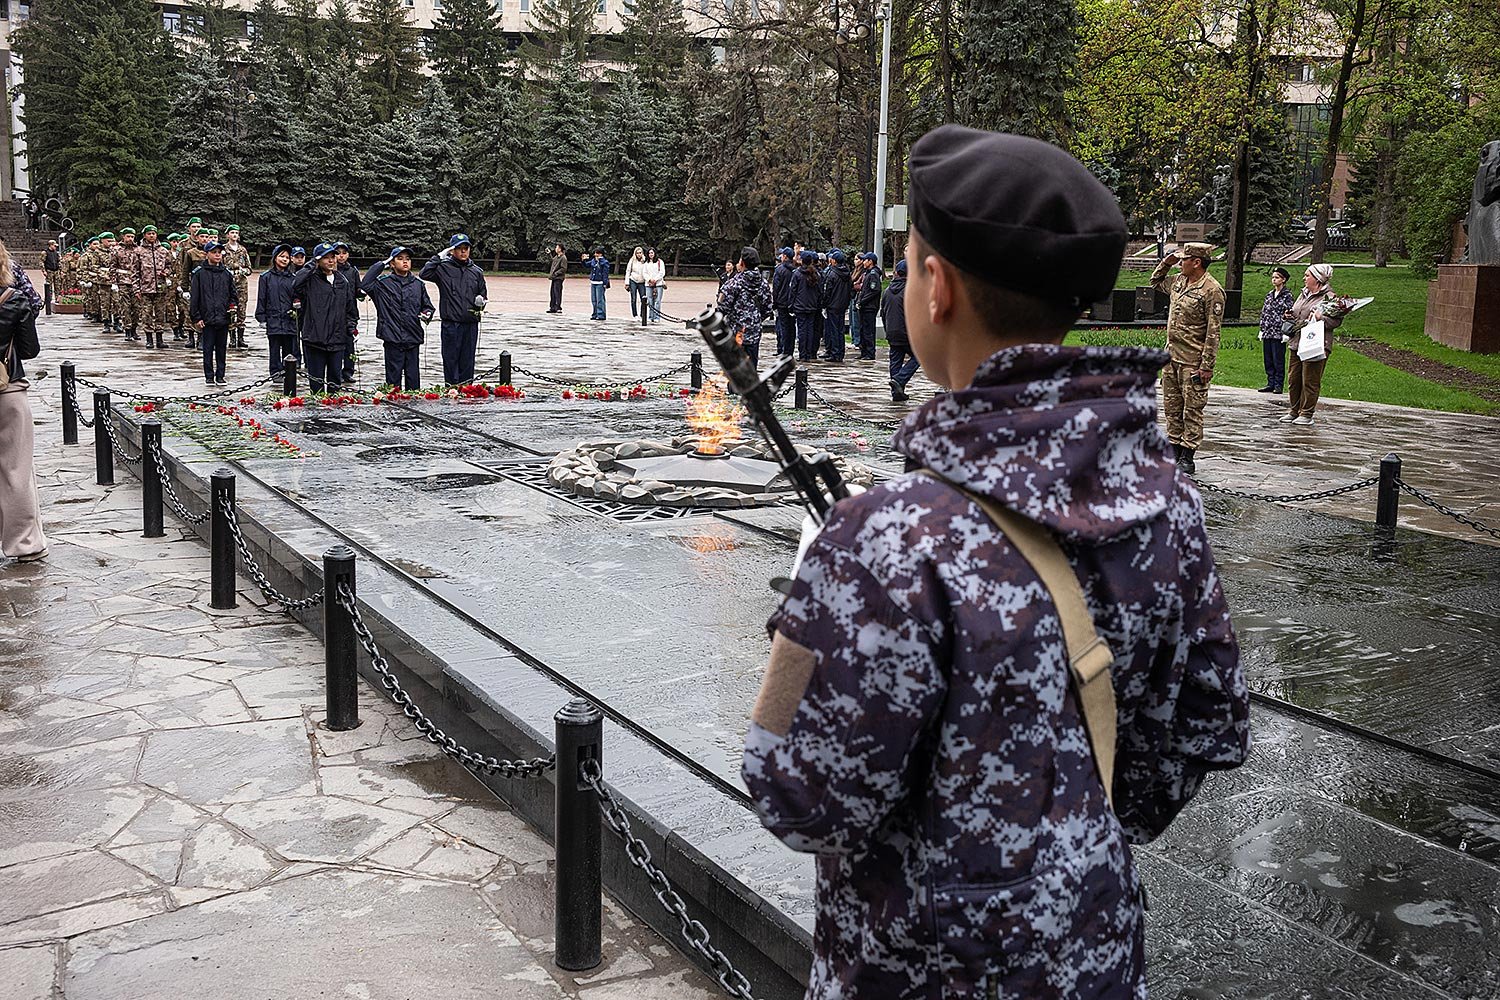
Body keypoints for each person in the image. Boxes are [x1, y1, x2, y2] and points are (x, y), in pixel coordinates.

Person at [741, 125, 1248, 1000]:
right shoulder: (1168, 500)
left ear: (935, 287)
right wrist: (1070, 827)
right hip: (1094, 953)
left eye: (907, 266)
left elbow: (802, 796)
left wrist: (805, 616)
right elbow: (1204, 728)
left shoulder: (889, 535)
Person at [1149, 242, 1224, 475]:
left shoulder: (1212, 290)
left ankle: (1188, 456)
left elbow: (1214, 331)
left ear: (1197, 262)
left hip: (1193, 360)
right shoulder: (1179, 281)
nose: (1180, 263)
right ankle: (1173, 450)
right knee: (1172, 407)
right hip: (1172, 358)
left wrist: (1206, 366)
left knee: (1192, 409)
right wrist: (1166, 263)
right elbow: (1155, 282)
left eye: (1183, 259)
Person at [0, 238, 47, 563]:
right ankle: (24, 545)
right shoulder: (14, 300)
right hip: (7, 390)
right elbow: (30, 350)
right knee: (15, 470)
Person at [363, 246, 435, 390]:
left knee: (413, 380)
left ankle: (414, 408)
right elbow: (365, 284)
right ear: (392, 263)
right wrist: (382, 264)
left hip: (412, 337)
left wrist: (427, 314)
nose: (405, 262)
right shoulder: (382, 284)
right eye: (400, 259)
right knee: (393, 381)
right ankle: (394, 408)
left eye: (408, 259)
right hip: (392, 337)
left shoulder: (418, 284)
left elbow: (427, 306)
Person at [292, 243, 360, 394]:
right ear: (317, 260)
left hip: (337, 339)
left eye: (332, 257)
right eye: (325, 258)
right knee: (316, 385)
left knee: (335, 383)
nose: (331, 261)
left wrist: (351, 327)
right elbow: (295, 284)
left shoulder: (342, 281)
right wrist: (311, 265)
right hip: (315, 339)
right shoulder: (310, 280)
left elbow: (350, 309)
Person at [420, 234, 487, 384]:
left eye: (466, 248)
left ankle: (467, 389)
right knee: (451, 359)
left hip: (470, 323)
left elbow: (483, 293)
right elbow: (424, 273)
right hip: (451, 323)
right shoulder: (443, 268)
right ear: (452, 251)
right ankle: (451, 389)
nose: (463, 252)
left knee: (468, 360)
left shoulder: (476, 271)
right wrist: (438, 257)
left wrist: (481, 302)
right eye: (459, 249)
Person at [1281, 262, 1342, 426]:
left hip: (1316, 344)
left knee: (1310, 379)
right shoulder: (1304, 293)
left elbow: (1336, 321)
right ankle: (1294, 411)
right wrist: (1290, 316)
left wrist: (1322, 318)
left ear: (1317, 278)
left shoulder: (1330, 297)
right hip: (1297, 341)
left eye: (1307, 275)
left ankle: (1306, 413)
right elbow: (1299, 312)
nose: (1304, 278)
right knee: (1294, 379)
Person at [188, 240, 238, 386]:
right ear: (207, 254)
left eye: (219, 253)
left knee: (222, 349)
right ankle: (209, 376)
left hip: (223, 317)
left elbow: (233, 294)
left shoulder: (226, 274)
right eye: (214, 252)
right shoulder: (199, 274)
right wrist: (196, 317)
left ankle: (220, 375)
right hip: (207, 318)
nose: (217, 255)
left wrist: (232, 307)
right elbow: (195, 297)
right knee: (208, 349)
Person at [718, 246, 774, 366]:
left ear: (742, 263)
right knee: (751, 368)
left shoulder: (734, 283)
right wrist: (755, 320)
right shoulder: (763, 284)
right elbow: (768, 307)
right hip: (754, 333)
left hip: (736, 332)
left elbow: (723, 307)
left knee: (734, 370)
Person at [255, 244, 301, 377]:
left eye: (287, 257)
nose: (284, 259)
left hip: (288, 319)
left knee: (288, 348)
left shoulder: (293, 278)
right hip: (273, 318)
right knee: (274, 348)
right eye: (282, 256)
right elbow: (262, 298)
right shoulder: (266, 277)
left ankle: (288, 373)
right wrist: (261, 317)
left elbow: (297, 296)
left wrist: (297, 304)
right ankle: (275, 372)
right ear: (275, 258)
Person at [131, 226, 175, 350]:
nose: (151, 236)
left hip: (160, 288)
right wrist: (136, 289)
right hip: (145, 288)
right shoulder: (138, 251)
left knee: (160, 314)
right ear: (144, 235)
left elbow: (170, 265)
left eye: (154, 233)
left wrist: (166, 272)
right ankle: (149, 339)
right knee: (147, 314)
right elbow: (134, 272)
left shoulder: (163, 250)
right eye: (149, 233)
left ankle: (160, 339)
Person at [882, 258, 918, 401]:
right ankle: (900, 380)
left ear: (896, 272)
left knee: (895, 360)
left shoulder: (887, 291)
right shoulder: (911, 291)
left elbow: (883, 313)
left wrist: (888, 329)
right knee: (919, 357)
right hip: (907, 332)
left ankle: (896, 392)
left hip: (892, 331)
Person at [1257, 267, 1294, 394]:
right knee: (1268, 359)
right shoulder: (1269, 295)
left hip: (1279, 332)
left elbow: (1289, 314)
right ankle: (1270, 382)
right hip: (1268, 331)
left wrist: (1286, 332)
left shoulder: (1287, 296)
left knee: (1278, 359)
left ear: (1283, 280)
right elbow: (1264, 312)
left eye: (1277, 277)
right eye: (1273, 277)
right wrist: (1262, 329)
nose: (1274, 280)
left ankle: (1278, 384)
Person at [222, 225, 253, 349]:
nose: (234, 235)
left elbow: (249, 268)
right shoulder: (224, 249)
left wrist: (243, 271)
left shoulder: (242, 250)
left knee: (241, 310)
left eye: (236, 233)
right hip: (228, 284)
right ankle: (232, 338)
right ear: (228, 235)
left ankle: (241, 337)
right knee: (230, 310)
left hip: (241, 284)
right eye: (232, 232)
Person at [819, 249, 852, 362]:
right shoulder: (847, 273)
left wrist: (824, 303)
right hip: (842, 305)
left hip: (833, 305)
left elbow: (827, 291)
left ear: (834, 261)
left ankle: (835, 353)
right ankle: (840, 352)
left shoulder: (832, 274)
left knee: (834, 330)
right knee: (840, 330)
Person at [790, 249, 823, 362]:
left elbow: (793, 290)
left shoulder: (798, 274)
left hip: (800, 305)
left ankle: (803, 353)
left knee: (802, 330)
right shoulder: (815, 274)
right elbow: (820, 292)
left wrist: (791, 304)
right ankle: (809, 352)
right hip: (812, 305)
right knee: (810, 329)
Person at [109, 229, 140, 341]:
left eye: (132, 236)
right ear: (123, 237)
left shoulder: (138, 250)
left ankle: (134, 329)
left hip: (136, 282)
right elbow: (112, 267)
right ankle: (127, 329)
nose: (130, 239)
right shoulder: (116, 250)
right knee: (125, 307)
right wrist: (114, 283)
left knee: (137, 307)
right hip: (122, 281)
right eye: (128, 236)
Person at [851, 252, 882, 360]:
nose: (863, 262)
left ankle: (869, 352)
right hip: (865, 306)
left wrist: (862, 301)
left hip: (869, 307)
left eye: (865, 260)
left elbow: (874, 290)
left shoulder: (873, 274)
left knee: (868, 331)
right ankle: (864, 352)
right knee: (863, 329)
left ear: (870, 261)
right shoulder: (868, 273)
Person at [771, 247, 796, 358]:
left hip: (782, 302)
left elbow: (776, 287)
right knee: (791, 327)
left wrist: (774, 302)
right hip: (792, 302)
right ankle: (790, 350)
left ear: (785, 256)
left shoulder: (780, 269)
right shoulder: (795, 269)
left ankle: (784, 350)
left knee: (784, 327)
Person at [587, 247, 611, 321]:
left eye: (597, 253)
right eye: (595, 253)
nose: (595, 255)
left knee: (600, 299)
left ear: (601, 254)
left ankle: (601, 314)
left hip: (600, 282)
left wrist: (605, 283)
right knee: (594, 299)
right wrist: (584, 260)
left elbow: (605, 273)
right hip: (593, 281)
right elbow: (587, 265)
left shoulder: (604, 262)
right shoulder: (593, 260)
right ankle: (595, 313)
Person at [643, 248, 666, 323]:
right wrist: (649, 279)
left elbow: (662, 272)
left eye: (652, 253)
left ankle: (657, 317)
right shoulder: (646, 263)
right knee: (650, 301)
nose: (651, 254)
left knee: (657, 301)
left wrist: (655, 279)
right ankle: (650, 317)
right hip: (648, 284)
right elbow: (644, 273)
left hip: (658, 284)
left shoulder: (660, 262)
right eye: (649, 253)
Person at [624, 246, 648, 318]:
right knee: (633, 298)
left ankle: (642, 315)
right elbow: (628, 271)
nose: (639, 254)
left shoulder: (645, 261)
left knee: (643, 298)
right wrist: (627, 283)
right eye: (637, 253)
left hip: (642, 281)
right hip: (633, 280)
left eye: (640, 253)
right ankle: (635, 315)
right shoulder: (632, 260)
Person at [547, 244, 567, 313]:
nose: (555, 249)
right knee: (552, 293)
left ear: (560, 249)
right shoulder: (556, 257)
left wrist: (556, 273)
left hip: (558, 278)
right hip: (554, 278)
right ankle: (552, 307)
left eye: (557, 247)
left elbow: (563, 268)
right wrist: (549, 254)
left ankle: (558, 307)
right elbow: (552, 261)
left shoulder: (563, 258)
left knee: (557, 292)